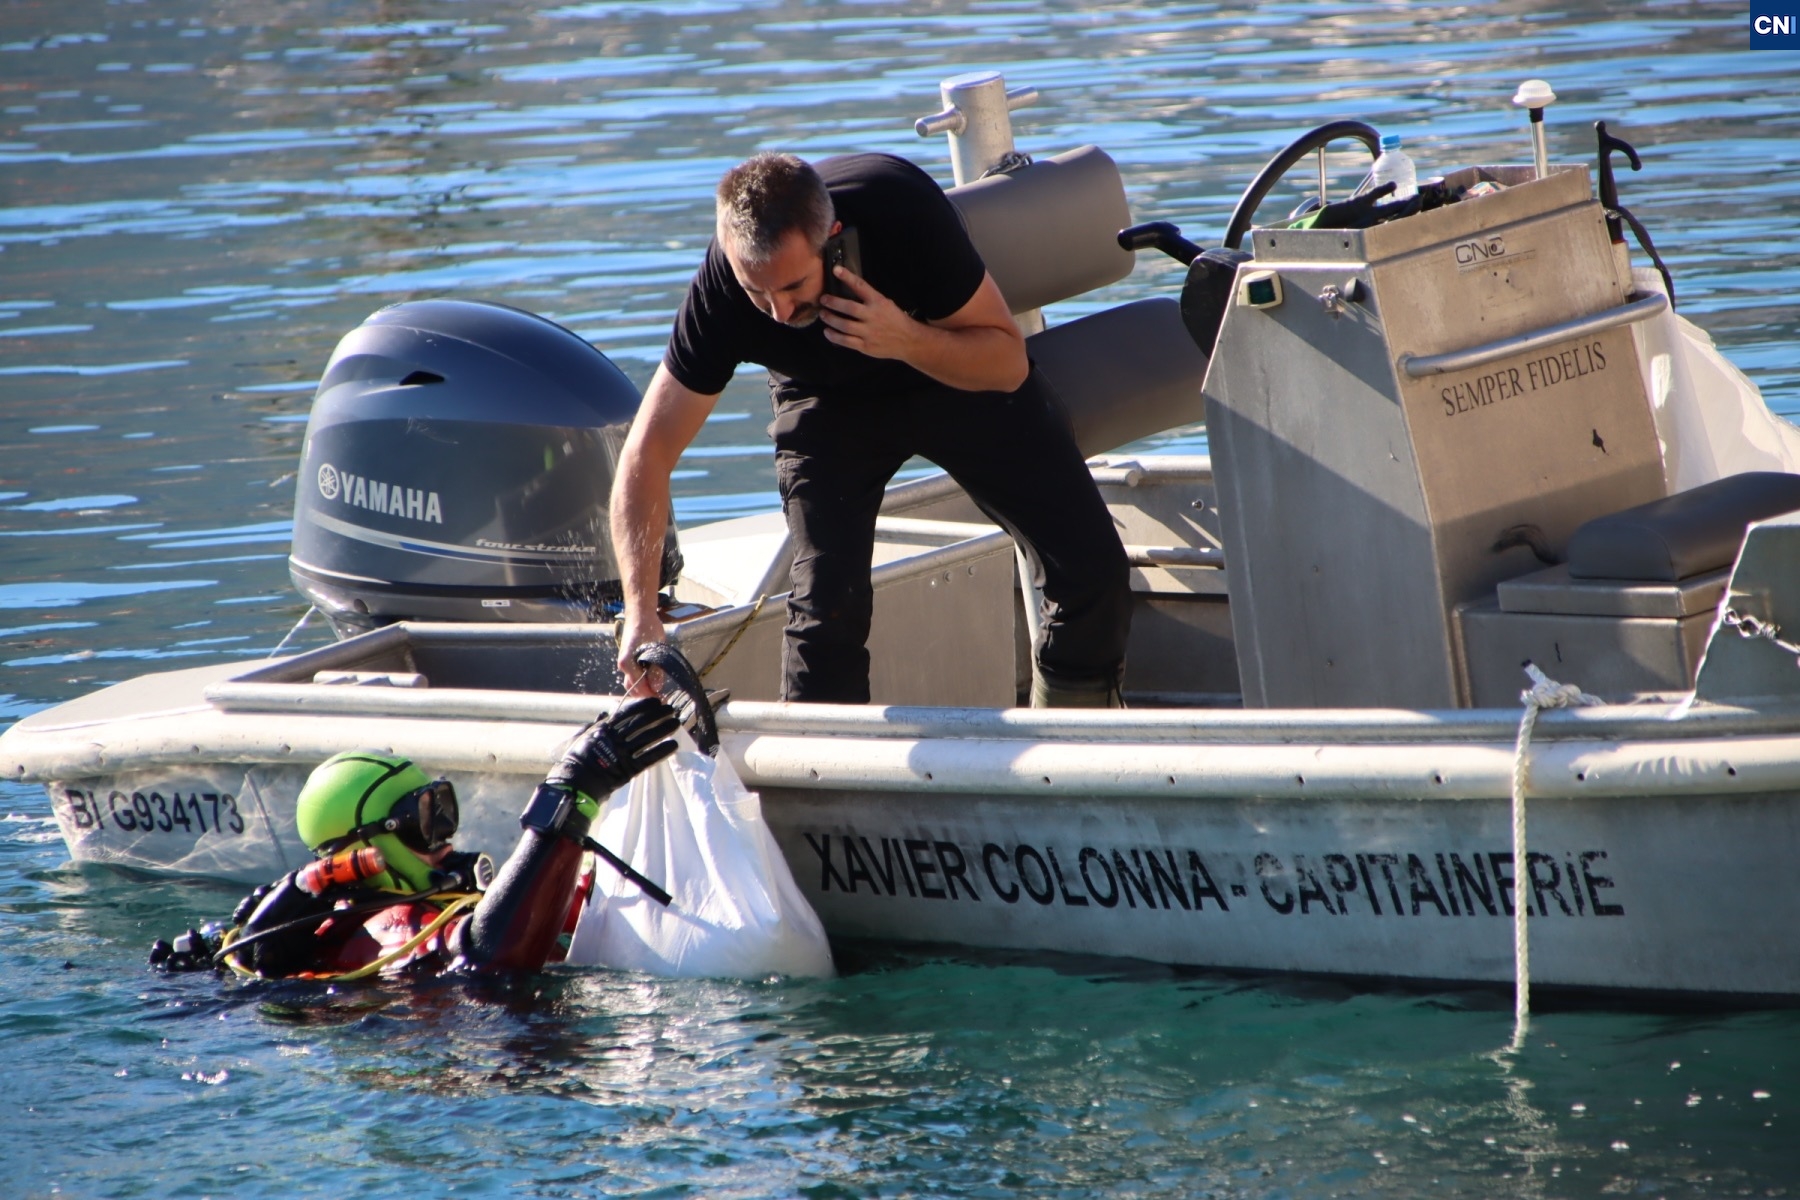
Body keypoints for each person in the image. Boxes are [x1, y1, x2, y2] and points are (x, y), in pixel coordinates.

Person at [610, 151, 1132, 707]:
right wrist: (640, 614)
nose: (779, 313)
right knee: (825, 611)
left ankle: (1072, 727)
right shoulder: (722, 291)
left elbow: (1006, 362)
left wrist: (905, 340)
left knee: (1091, 568)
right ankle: (823, 776)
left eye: (792, 287)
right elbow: (648, 452)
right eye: (757, 293)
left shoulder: (898, 208)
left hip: (943, 361)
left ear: (833, 237)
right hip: (824, 400)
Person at [149, 696, 679, 980]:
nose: (444, 836)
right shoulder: (376, 930)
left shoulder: (441, 898)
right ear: (363, 853)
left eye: (443, 811)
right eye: (424, 822)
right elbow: (488, 960)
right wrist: (568, 800)